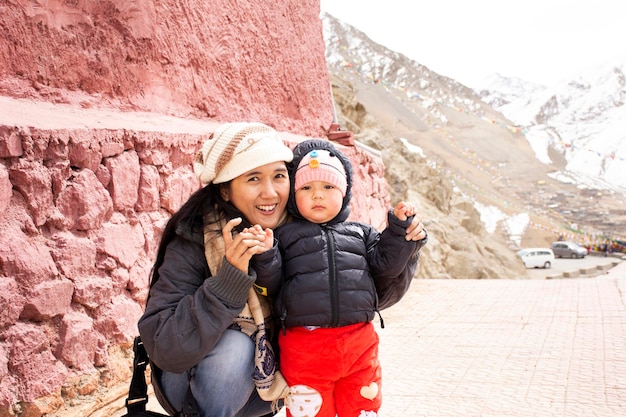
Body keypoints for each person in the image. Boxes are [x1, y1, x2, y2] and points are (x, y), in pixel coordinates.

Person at [252, 139, 428, 417]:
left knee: (362, 406)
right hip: (305, 349)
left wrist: (398, 231)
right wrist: (265, 255)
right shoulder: (284, 237)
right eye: (306, 188)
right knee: (310, 411)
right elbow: (271, 285)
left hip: (359, 345)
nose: (317, 195)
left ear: (344, 192)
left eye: (328, 187)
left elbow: (386, 266)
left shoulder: (361, 233)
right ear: (294, 196)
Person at [137, 122, 295, 417]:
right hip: (189, 382)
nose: (270, 193)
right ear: (224, 191)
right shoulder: (196, 237)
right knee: (236, 347)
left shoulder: (300, 231)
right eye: (253, 179)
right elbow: (164, 345)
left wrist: (401, 249)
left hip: (265, 389)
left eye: (279, 176)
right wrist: (228, 281)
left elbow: (357, 299)